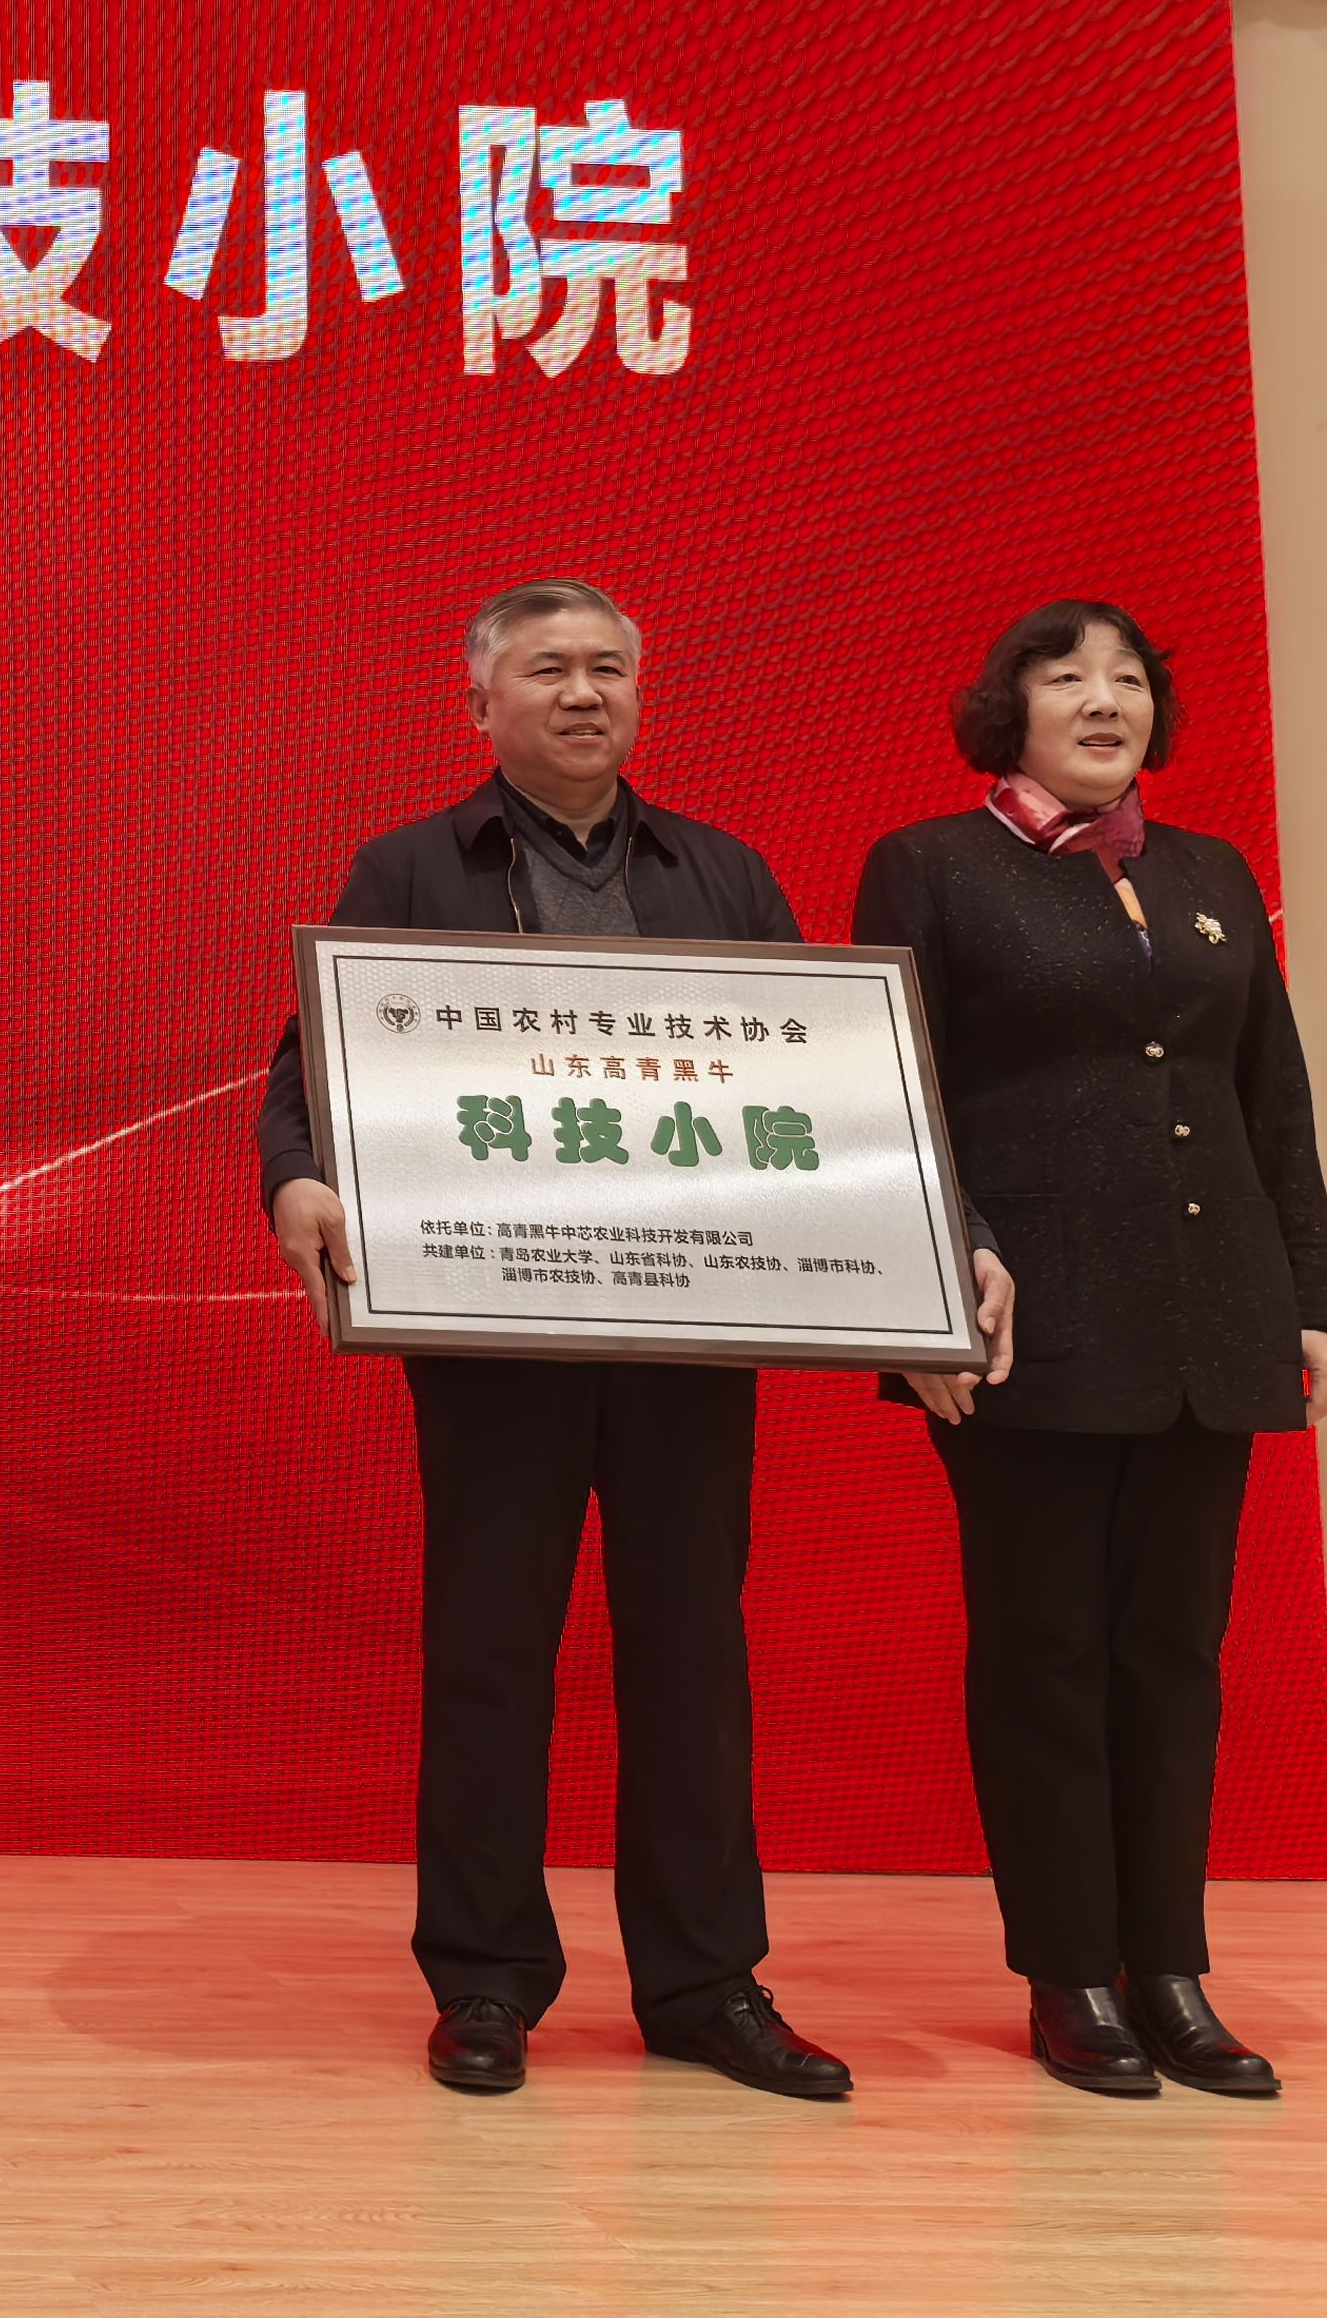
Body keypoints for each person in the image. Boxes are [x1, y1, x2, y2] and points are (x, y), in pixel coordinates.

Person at [261, 581, 1000, 2102]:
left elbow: (841, 1090)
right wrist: (299, 1182)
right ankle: (485, 1980)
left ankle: (706, 1985)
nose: (584, 693)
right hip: (493, 1332)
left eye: (609, 668)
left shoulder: (721, 872)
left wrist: (942, 1250)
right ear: (483, 705)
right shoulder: (411, 868)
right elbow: (306, 1074)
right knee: (490, 1656)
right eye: (549, 670)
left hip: (690, 1331)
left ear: (640, 697)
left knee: (691, 1656)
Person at [854, 602, 1327, 2100]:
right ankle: (1070, 1972)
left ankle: (1169, 1968)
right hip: (1027, 1328)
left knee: (1174, 1659)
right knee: (1048, 1654)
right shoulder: (932, 865)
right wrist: (925, 1294)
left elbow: (1271, 1094)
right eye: (1066, 675)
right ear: (1009, 710)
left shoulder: (1210, 874)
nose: (1103, 697)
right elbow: (886, 1093)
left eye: (1128, 676)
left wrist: (1313, 1295)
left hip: (1211, 1314)